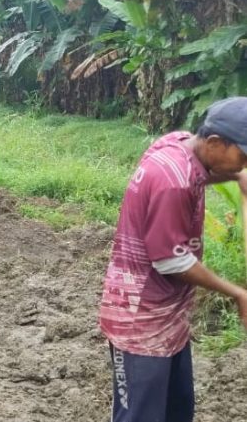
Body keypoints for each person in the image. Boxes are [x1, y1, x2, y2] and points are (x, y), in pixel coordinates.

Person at [98, 97, 247, 422]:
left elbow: (197, 176)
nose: (246, 162)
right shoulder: (172, 181)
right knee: (140, 415)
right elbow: (171, 261)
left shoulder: (179, 143)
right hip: (140, 320)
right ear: (215, 143)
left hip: (169, 314)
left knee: (177, 410)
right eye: (244, 154)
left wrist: (235, 176)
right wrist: (237, 292)